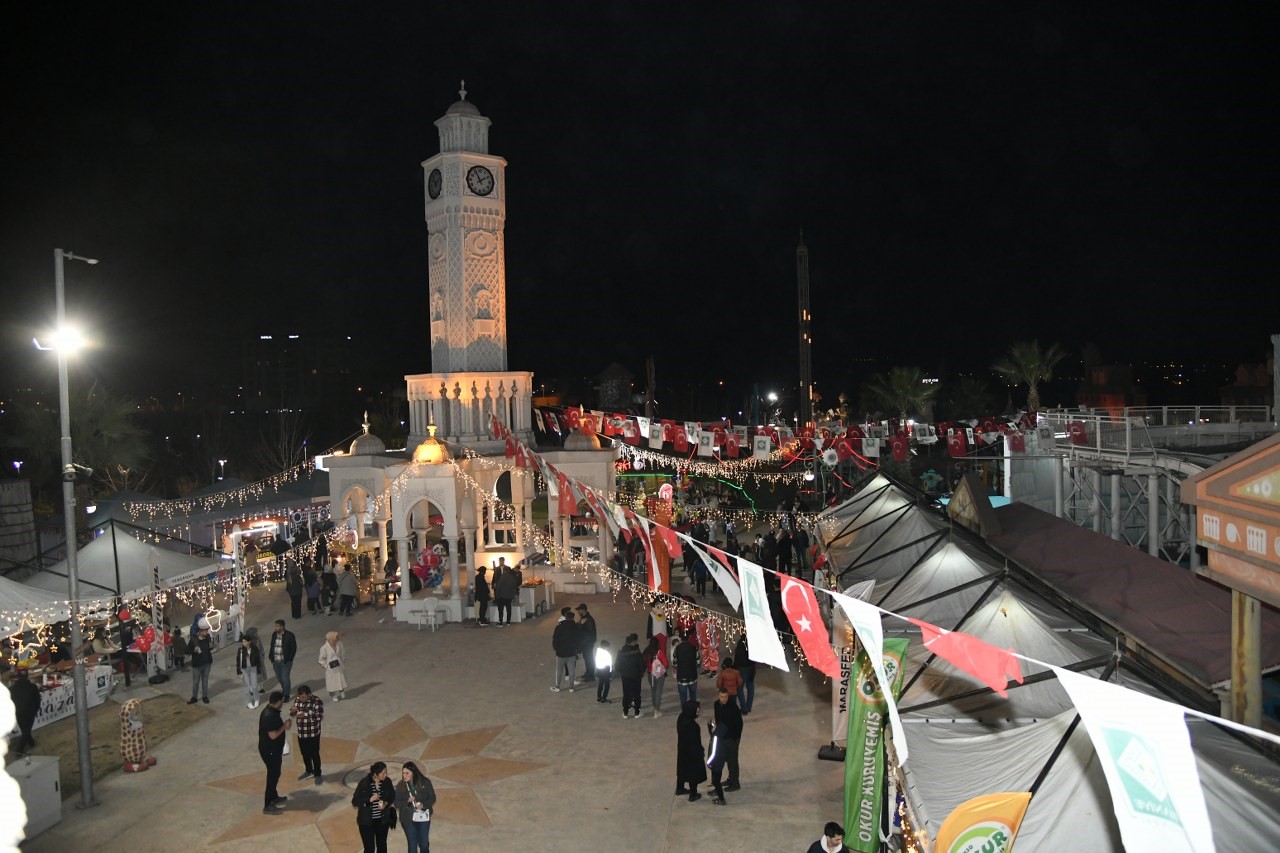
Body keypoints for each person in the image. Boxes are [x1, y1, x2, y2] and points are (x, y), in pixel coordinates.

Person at [258, 691, 292, 814]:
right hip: (270, 750)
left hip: (273, 749)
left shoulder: (270, 711)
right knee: (272, 776)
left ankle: (274, 797)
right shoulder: (269, 716)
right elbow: (273, 735)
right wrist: (285, 726)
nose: (282, 703)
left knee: (275, 773)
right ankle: (267, 804)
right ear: (279, 701)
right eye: (282, 701)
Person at [352, 760, 396, 853]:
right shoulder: (364, 783)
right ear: (375, 774)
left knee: (382, 846)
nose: (385, 775)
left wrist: (386, 803)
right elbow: (355, 801)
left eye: (386, 772)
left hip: (382, 821)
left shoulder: (387, 782)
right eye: (383, 773)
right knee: (369, 848)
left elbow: (392, 795)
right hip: (366, 823)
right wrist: (369, 800)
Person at [395, 761, 437, 853]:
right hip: (408, 819)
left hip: (423, 817)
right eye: (403, 773)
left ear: (413, 773)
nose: (404, 775)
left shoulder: (425, 782)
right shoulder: (400, 785)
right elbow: (396, 803)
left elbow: (432, 798)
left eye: (407, 773)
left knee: (424, 845)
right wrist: (407, 801)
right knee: (412, 846)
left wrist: (423, 804)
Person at [710, 686, 743, 798]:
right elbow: (719, 719)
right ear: (718, 696)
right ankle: (730, 779)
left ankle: (735, 782)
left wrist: (736, 737)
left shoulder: (733, 707)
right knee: (725, 759)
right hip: (722, 738)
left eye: (725, 697)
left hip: (731, 738)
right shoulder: (716, 705)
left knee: (732, 760)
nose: (724, 699)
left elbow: (739, 724)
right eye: (722, 697)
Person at [290, 684, 325, 784]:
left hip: (313, 733)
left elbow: (319, 717)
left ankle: (318, 773)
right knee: (305, 754)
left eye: (303, 697)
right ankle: (309, 770)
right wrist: (292, 712)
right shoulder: (297, 700)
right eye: (300, 697)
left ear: (309, 694)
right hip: (302, 733)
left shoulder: (316, 701)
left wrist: (305, 715)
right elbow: (292, 712)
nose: (301, 699)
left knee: (314, 754)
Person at [674, 700, 706, 802]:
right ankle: (693, 794)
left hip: (682, 749)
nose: (698, 711)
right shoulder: (693, 726)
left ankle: (680, 788)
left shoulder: (681, 718)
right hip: (692, 753)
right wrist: (700, 752)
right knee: (693, 773)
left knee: (682, 769)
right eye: (697, 710)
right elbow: (695, 742)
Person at [8, 668, 40, 752]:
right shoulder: (33, 687)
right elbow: (37, 700)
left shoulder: (12, 689)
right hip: (29, 711)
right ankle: (20, 749)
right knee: (26, 730)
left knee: (24, 729)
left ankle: (31, 742)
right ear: (27, 676)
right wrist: (35, 710)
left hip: (18, 712)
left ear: (17, 677)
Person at [616, 633, 645, 718]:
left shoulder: (621, 652)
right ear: (633, 642)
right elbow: (642, 665)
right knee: (637, 694)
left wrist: (622, 672)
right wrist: (640, 672)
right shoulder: (637, 652)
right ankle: (637, 712)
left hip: (625, 676)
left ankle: (625, 712)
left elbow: (617, 666)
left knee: (626, 694)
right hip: (636, 676)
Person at [551, 608, 578, 692]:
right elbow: (578, 639)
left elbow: (555, 639)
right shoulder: (576, 627)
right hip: (571, 652)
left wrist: (556, 648)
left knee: (559, 670)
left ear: (565, 617)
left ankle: (557, 686)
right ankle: (571, 687)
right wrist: (577, 650)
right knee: (572, 671)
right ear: (573, 618)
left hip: (561, 653)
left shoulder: (559, 627)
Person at [269, 619, 297, 701]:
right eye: (275, 626)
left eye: (277, 626)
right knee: (279, 677)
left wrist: (290, 659)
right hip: (276, 661)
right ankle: (284, 689)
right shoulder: (274, 634)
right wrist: (271, 656)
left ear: (282, 627)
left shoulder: (289, 635)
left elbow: (293, 648)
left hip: (285, 662)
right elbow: (272, 645)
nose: (275, 628)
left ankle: (286, 695)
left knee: (285, 677)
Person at [644, 633, 669, 718]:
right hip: (659, 675)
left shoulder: (646, 652)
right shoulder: (660, 653)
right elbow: (666, 664)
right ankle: (656, 710)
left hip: (650, 675)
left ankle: (654, 706)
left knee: (653, 691)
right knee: (658, 692)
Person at [187, 624, 213, 704]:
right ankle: (194, 697)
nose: (206, 632)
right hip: (197, 665)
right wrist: (194, 651)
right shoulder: (193, 641)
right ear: (200, 632)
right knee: (196, 682)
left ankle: (204, 696)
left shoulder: (207, 638)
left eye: (206, 630)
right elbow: (187, 651)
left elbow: (210, 647)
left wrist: (211, 645)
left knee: (205, 681)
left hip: (207, 663)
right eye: (205, 631)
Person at [673, 630, 699, 707]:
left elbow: (675, 663)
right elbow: (698, 662)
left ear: (680, 638)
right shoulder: (694, 648)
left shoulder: (677, 649)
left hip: (681, 677)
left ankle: (685, 712)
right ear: (689, 638)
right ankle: (694, 710)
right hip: (692, 676)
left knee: (683, 697)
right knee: (693, 696)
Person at [319, 631, 347, 701]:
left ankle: (342, 691)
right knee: (331, 683)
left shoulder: (339, 644)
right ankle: (333, 695)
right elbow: (321, 659)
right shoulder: (324, 648)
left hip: (338, 665)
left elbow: (343, 652)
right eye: (336, 637)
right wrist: (326, 666)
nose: (338, 638)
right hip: (330, 667)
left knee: (341, 679)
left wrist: (341, 660)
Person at [236, 634, 262, 709]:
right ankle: (248, 702)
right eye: (243, 642)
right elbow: (238, 661)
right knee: (246, 686)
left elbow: (258, 660)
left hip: (253, 668)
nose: (243, 643)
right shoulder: (240, 650)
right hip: (244, 669)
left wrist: (259, 669)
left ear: (249, 642)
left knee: (254, 685)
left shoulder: (254, 649)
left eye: (245, 641)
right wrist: (239, 671)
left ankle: (257, 699)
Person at [734, 634, 756, 715]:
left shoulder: (741, 643)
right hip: (752, 667)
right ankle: (749, 706)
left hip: (743, 668)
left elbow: (738, 656)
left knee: (739, 688)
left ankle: (744, 708)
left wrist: (735, 667)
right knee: (750, 686)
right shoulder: (753, 642)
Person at [493, 560, 520, 626]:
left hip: (502, 596)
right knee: (509, 608)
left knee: (501, 609)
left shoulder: (503, 577)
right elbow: (515, 586)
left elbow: (499, 587)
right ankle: (508, 621)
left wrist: (497, 596)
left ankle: (501, 622)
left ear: (505, 571)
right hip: (510, 596)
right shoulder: (513, 577)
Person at [576, 603, 598, 680]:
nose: (578, 612)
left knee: (589, 658)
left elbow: (589, 633)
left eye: (579, 610)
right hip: (585, 642)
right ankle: (588, 673)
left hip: (588, 643)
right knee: (587, 658)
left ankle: (591, 675)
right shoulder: (583, 618)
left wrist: (580, 625)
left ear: (583, 610)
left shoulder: (588, 620)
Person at [594, 639, 613, 703]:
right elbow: (609, 665)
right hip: (606, 671)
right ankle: (604, 697)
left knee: (600, 684)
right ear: (606, 647)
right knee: (607, 685)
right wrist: (610, 674)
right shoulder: (607, 654)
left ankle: (599, 696)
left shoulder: (598, 652)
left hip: (599, 670)